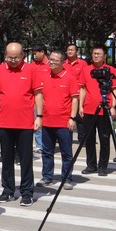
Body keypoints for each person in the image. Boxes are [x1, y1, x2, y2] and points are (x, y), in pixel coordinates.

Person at [0, 43, 43, 206]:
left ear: (23, 56)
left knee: (26, 159)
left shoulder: (31, 70)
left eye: (16, 58)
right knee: (6, 158)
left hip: (25, 122)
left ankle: (27, 192)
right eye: (9, 57)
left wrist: (39, 116)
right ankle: (7, 190)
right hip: (4, 121)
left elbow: (38, 94)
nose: (12, 60)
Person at [37, 50, 79, 190]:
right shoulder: (44, 76)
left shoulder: (70, 78)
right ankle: (47, 177)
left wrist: (72, 118)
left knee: (66, 153)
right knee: (47, 152)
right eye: (51, 59)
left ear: (63, 62)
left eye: (56, 60)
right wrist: (40, 116)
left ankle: (67, 178)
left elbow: (74, 99)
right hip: (47, 121)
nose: (52, 62)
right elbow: (41, 98)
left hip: (63, 122)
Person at [78, 45, 116, 176]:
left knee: (104, 138)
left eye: (99, 54)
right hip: (89, 108)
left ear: (105, 56)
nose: (96, 56)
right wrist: (81, 106)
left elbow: (115, 90)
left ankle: (102, 166)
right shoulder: (86, 70)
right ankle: (91, 165)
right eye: (94, 53)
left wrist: (112, 107)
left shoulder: (111, 70)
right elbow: (82, 88)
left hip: (104, 109)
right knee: (89, 138)